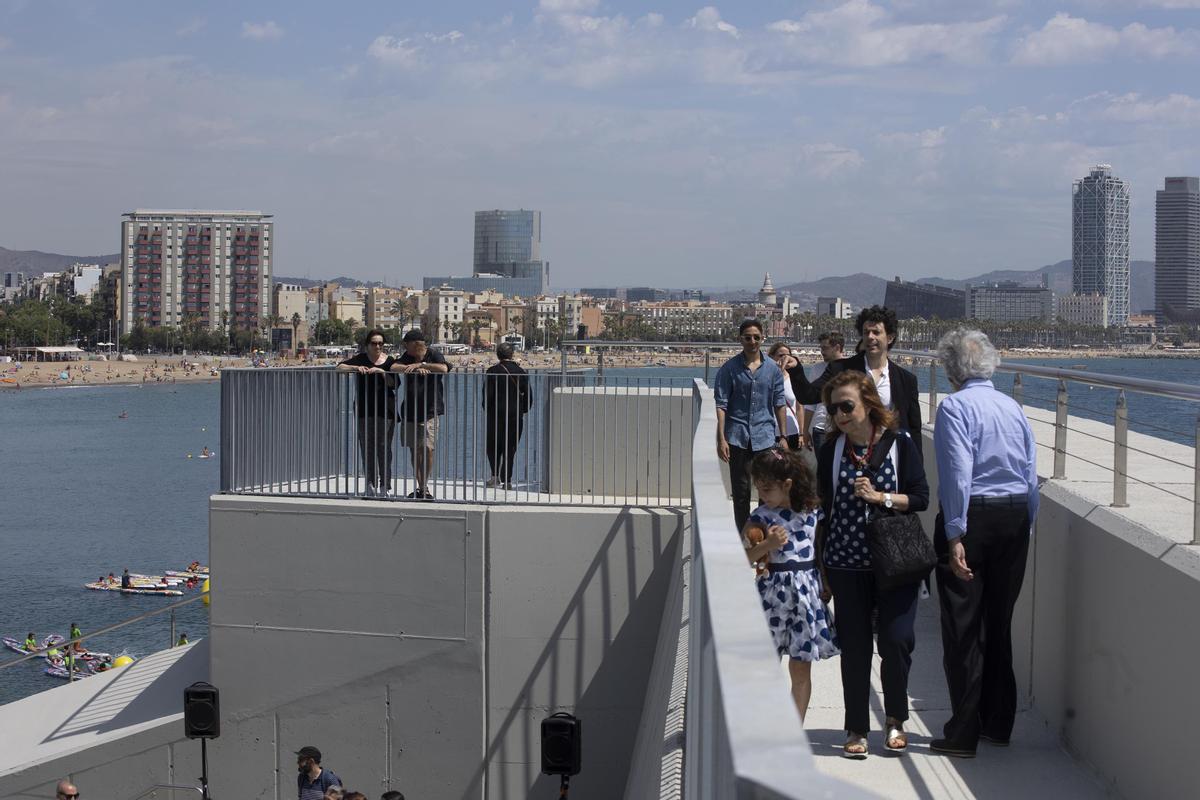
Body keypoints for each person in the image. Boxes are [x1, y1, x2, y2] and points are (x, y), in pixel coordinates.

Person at [929, 329, 1039, 758]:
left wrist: (955, 532)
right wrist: (1026, 523)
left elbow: (957, 473)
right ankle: (998, 721)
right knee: (999, 621)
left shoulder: (955, 407)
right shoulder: (1012, 407)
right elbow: (1030, 472)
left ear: (952, 369)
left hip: (973, 516)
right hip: (1013, 516)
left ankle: (963, 731)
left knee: (962, 627)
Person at [816, 370, 929, 758]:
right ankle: (856, 727)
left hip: (894, 563)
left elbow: (920, 498)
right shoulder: (832, 451)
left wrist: (881, 497)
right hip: (846, 564)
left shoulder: (901, 445)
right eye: (834, 410)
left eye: (847, 406)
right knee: (856, 647)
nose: (840, 415)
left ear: (868, 403)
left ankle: (895, 719)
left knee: (897, 641)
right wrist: (821, 568)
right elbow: (825, 510)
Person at [742, 449, 838, 721]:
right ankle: (766, 725)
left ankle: (795, 728)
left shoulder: (811, 512)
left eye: (767, 488)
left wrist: (826, 581)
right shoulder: (760, 517)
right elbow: (742, 557)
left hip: (805, 594)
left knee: (800, 669)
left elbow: (819, 548)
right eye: (758, 488)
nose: (762, 494)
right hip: (771, 595)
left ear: (787, 484)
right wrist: (767, 545)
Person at [790, 306, 922, 453]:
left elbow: (914, 429)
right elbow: (808, 396)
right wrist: (795, 369)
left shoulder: (906, 380)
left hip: (891, 457)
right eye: (866, 332)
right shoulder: (840, 369)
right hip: (850, 456)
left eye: (876, 332)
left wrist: (915, 469)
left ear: (890, 337)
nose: (870, 337)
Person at [713, 319, 791, 532]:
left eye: (756, 337)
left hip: (765, 437)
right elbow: (721, 405)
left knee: (767, 490)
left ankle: (763, 535)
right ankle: (744, 537)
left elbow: (779, 403)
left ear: (762, 338)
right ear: (741, 340)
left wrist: (783, 436)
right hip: (738, 437)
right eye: (748, 337)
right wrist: (721, 438)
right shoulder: (729, 369)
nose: (752, 341)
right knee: (741, 491)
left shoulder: (772, 369)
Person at [337, 330, 401, 498]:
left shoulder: (389, 361)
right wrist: (355, 368)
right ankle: (370, 484)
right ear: (367, 345)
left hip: (386, 411)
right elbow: (339, 368)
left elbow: (394, 384)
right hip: (364, 411)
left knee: (384, 448)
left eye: (380, 343)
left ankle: (384, 485)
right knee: (367, 448)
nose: (378, 346)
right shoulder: (361, 358)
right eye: (374, 343)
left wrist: (382, 373)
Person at [395, 329, 451, 500]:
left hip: (430, 410)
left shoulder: (434, 354)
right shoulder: (407, 356)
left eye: (407, 344)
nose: (406, 347)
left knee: (428, 448)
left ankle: (424, 485)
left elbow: (444, 368)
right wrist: (409, 367)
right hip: (410, 410)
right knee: (415, 450)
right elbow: (393, 366)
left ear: (416, 344)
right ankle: (421, 487)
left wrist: (422, 365)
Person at [483, 342, 532, 489]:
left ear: (498, 355)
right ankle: (507, 481)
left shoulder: (492, 371)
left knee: (493, 447)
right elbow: (529, 397)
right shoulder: (521, 372)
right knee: (510, 448)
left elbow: (487, 396)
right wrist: (521, 410)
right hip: (515, 416)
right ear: (512, 355)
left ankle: (494, 477)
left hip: (496, 415)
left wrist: (488, 409)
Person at [800, 332, 845, 453]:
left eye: (825, 348)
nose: (822, 351)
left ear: (837, 347)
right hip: (820, 428)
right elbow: (810, 403)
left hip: (843, 428)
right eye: (821, 348)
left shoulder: (849, 367)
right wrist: (805, 431)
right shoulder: (816, 368)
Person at [766, 342, 805, 451]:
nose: (785, 358)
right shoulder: (765, 378)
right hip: (770, 433)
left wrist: (801, 434)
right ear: (771, 357)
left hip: (792, 432)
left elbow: (799, 408)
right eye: (781, 355)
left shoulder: (794, 378)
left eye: (788, 355)